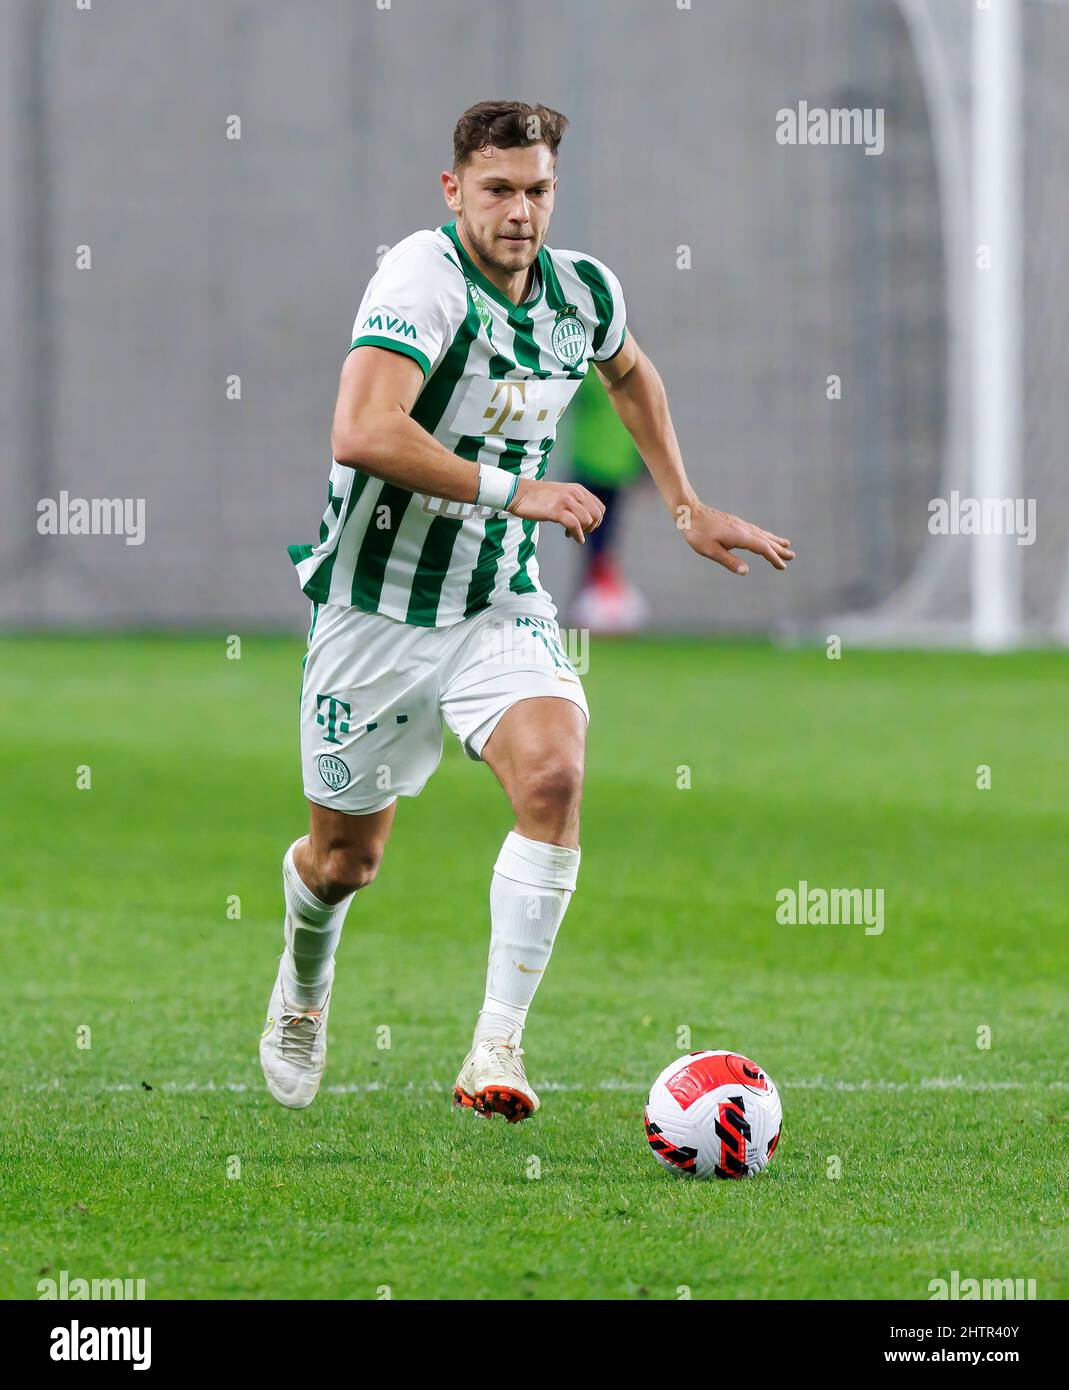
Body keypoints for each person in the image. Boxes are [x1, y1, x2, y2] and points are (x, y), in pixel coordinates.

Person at [261, 99, 794, 1123]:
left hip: (499, 599)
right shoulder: (420, 280)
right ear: (453, 189)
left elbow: (629, 371)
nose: (520, 211)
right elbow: (362, 430)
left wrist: (684, 504)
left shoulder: (582, 290)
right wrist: (522, 491)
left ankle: (494, 1044)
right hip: (374, 610)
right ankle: (303, 988)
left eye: (538, 190)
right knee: (342, 863)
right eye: (498, 189)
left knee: (554, 773)